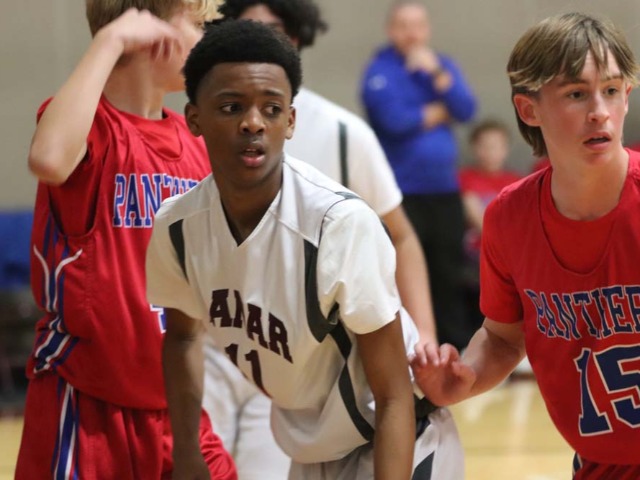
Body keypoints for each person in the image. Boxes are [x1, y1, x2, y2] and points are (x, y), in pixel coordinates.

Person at [146, 19, 463, 480]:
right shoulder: (177, 227)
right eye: (232, 107)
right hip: (313, 447)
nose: (253, 122)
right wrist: (188, 451)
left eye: (271, 109)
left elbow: (393, 394)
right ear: (194, 118)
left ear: (290, 121)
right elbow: (182, 337)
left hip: (399, 437)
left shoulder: (339, 224)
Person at [412, 12, 640, 479]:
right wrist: (465, 379)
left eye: (612, 90)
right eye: (576, 94)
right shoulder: (509, 218)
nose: (600, 110)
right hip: (599, 463)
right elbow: (503, 336)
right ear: (528, 109)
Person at [15, 3, 237, 479]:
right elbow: (49, 158)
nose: (206, 39)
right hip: (87, 405)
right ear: (144, 26)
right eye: (198, 25)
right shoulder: (92, 127)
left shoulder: (196, 144)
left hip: (177, 407)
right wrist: (110, 40)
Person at [360, 0, 477, 350]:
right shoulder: (379, 70)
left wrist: (438, 75)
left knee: (448, 273)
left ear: (427, 29)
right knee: (404, 274)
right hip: (401, 193)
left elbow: (466, 108)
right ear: (390, 29)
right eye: (403, 25)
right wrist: (441, 110)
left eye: (418, 25)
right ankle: (411, 351)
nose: (412, 33)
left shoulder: (441, 65)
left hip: (444, 189)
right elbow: (394, 122)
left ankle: (455, 351)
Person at [458, 119, 521, 329]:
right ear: (474, 148)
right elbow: (478, 220)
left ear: (506, 149)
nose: (490, 152)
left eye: (496, 146)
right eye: (485, 146)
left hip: (511, 253)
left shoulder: (516, 181)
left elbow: (521, 223)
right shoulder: (466, 179)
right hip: (477, 255)